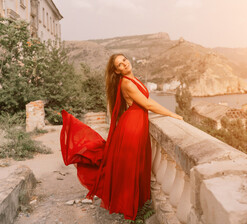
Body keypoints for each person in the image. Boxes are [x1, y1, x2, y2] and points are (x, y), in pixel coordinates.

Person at [60, 53, 183, 223]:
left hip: (136, 125)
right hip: (132, 127)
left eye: (124, 60)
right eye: (119, 65)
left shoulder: (134, 79)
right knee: (130, 167)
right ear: (117, 71)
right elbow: (147, 104)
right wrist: (172, 113)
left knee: (135, 166)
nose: (124, 64)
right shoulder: (126, 83)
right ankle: (130, 211)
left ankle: (135, 207)